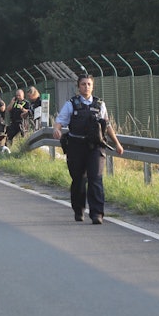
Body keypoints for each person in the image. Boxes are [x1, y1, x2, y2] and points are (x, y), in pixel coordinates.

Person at [53, 74, 124, 224]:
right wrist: (57, 130)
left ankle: (97, 214)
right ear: (78, 87)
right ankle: (79, 210)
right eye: (83, 84)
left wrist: (117, 143)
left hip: (95, 147)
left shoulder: (100, 104)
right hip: (76, 147)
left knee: (96, 178)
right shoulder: (71, 104)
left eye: (89, 84)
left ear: (93, 86)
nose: (86, 87)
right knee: (79, 180)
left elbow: (108, 125)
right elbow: (60, 120)